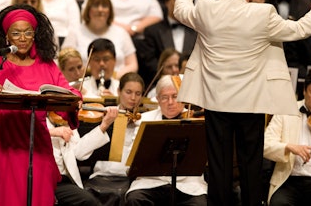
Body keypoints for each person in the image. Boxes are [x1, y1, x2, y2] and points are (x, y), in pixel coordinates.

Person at [173, 0, 311, 206]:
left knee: (218, 167)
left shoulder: (205, 7)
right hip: (251, 103)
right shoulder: (263, 12)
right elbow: (300, 29)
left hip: (216, 102)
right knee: (251, 167)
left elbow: (181, 10)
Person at [0, 4, 83, 205]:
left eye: (27, 33)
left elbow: (66, 91)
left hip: (34, 144)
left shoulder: (47, 65)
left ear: (35, 34)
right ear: (7, 36)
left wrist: (76, 99)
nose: (22, 38)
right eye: (16, 33)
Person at [125, 74, 208, 206]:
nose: (170, 102)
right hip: (151, 183)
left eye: (175, 96)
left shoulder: (197, 120)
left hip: (188, 185)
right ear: (157, 99)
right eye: (164, 97)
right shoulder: (144, 120)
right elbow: (133, 158)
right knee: (135, 200)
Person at [264, 64, 311, 205]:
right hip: (289, 181)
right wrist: (289, 147)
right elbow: (265, 145)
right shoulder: (286, 110)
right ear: (304, 90)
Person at [83, 72, 145, 206]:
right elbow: (81, 152)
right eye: (128, 92)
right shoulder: (106, 115)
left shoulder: (144, 121)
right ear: (118, 91)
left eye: (138, 93)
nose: (133, 98)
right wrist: (105, 125)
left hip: (129, 178)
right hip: (101, 175)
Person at [47, 102, 118, 206]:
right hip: (43, 179)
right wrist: (52, 132)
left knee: (91, 200)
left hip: (63, 181)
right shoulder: (32, 118)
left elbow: (79, 153)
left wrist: (104, 125)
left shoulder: (65, 118)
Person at [62, 0, 138, 79]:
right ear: (88, 10)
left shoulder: (122, 33)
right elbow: (64, 62)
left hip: (116, 83)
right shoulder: (75, 32)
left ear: (110, 11)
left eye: (104, 6)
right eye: (95, 6)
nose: (100, 9)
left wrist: (113, 77)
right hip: (83, 83)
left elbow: (133, 64)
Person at [143, 0, 196, 85]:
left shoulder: (197, 31)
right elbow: (150, 64)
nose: (181, 5)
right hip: (162, 85)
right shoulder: (152, 31)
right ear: (167, 1)